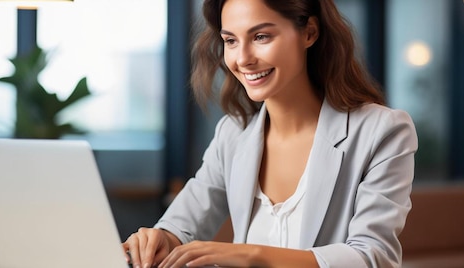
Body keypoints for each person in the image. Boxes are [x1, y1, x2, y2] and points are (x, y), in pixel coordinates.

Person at [123, 0, 418, 267]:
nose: (243, 59)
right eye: (230, 41)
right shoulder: (232, 135)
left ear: (309, 32)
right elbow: (182, 224)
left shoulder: (383, 131)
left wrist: (253, 254)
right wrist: (160, 238)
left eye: (261, 36)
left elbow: (373, 256)